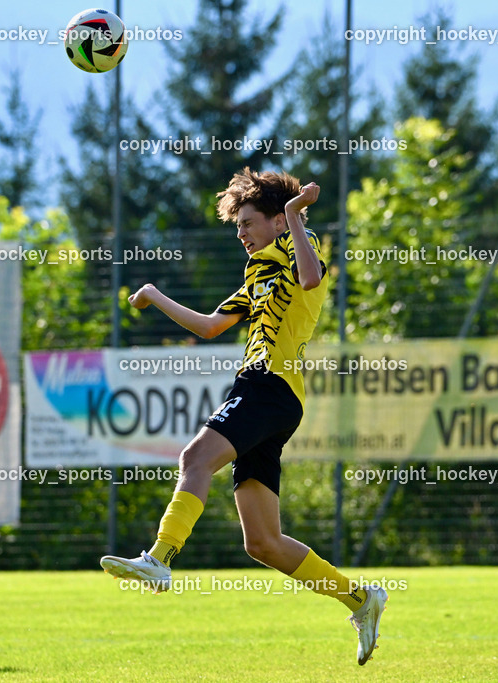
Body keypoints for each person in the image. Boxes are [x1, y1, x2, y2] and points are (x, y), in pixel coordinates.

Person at [100, 168, 387, 665]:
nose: (241, 234)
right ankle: (360, 598)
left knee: (195, 457)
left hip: (269, 388)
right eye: (237, 226)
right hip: (268, 394)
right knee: (263, 543)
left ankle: (160, 558)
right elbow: (212, 326)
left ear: (277, 221)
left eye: (248, 223)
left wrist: (297, 215)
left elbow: (312, 277)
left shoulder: (301, 240)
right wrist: (153, 294)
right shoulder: (256, 271)